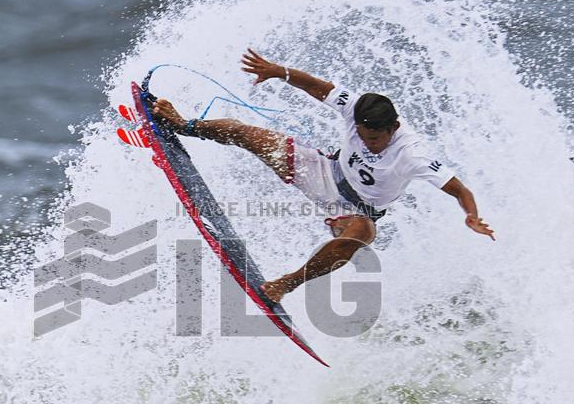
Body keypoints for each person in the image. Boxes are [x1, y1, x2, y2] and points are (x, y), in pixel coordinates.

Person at [151, 48, 495, 304]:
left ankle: (286, 284)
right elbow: (317, 87)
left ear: (394, 128)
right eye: (362, 135)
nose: (368, 144)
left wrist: (473, 217)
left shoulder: (412, 152)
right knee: (249, 133)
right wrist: (276, 71)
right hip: (324, 171)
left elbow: (459, 189)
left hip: (356, 210)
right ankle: (183, 125)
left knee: (360, 235)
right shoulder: (357, 106)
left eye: (375, 140)